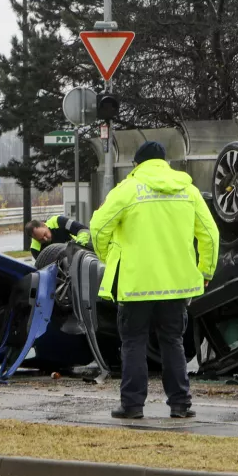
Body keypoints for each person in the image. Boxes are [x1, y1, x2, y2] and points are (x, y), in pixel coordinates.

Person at [90, 141, 219, 419]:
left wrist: (108, 254)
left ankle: (133, 405)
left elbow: (98, 226)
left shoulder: (127, 190)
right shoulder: (189, 190)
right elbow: (210, 234)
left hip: (136, 285)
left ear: (137, 164)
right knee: (172, 341)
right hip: (176, 286)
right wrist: (205, 270)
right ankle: (180, 404)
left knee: (134, 342)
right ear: (165, 163)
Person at [25, 215, 90, 260]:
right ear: (34, 239)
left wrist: (78, 245)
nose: (45, 239)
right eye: (40, 240)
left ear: (44, 225)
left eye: (45, 234)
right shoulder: (35, 249)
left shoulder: (58, 221)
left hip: (81, 252)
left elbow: (83, 230)